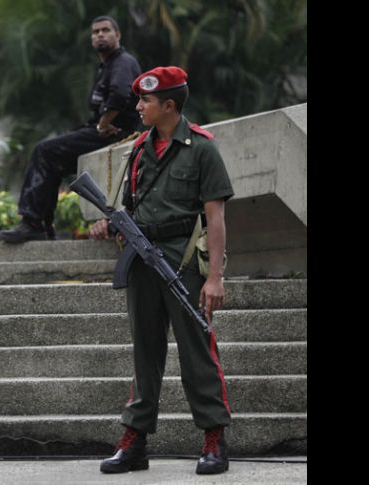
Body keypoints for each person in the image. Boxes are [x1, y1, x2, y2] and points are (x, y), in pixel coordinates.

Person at [90, 66, 234, 475]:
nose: (138, 107)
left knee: (197, 348)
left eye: (146, 101)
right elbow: (128, 205)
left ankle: (213, 436)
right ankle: (134, 439)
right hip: (141, 259)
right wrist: (109, 223)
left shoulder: (202, 148)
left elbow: (215, 216)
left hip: (184, 261)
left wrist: (215, 276)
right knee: (145, 352)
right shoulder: (137, 149)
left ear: (168, 105)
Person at [0, 15, 141, 243]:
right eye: (95, 32)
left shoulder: (122, 62)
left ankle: (31, 221)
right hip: (101, 132)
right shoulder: (106, 65)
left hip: (118, 134)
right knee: (51, 160)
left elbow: (120, 95)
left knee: (44, 151)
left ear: (118, 35)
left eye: (105, 30)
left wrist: (103, 124)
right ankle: (41, 225)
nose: (100, 35)